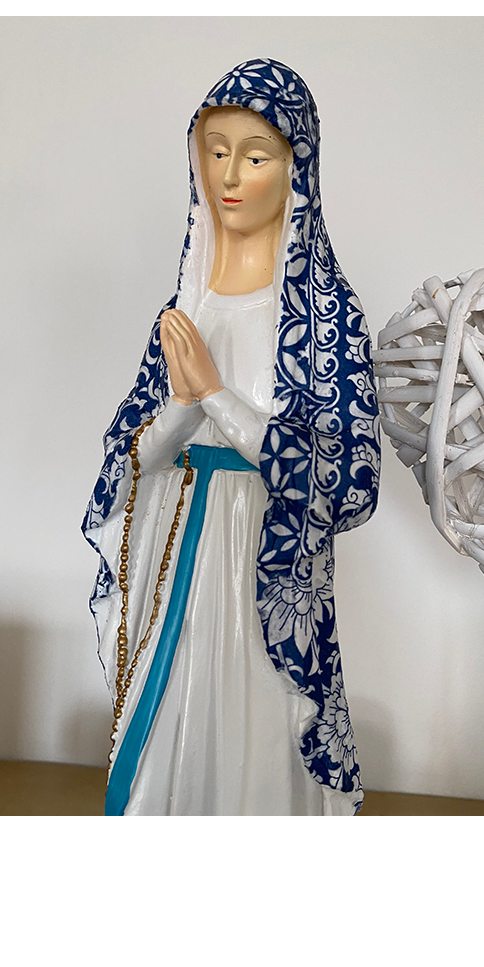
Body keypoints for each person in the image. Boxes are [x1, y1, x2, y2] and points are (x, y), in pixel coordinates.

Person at [83, 59, 380, 815]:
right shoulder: (189, 303)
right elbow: (131, 459)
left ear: (297, 167)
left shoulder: (325, 316)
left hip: (263, 555)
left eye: (255, 155)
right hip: (183, 541)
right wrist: (184, 408)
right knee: (170, 722)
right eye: (215, 151)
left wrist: (218, 395)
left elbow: (346, 478)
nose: (230, 174)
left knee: (257, 726)